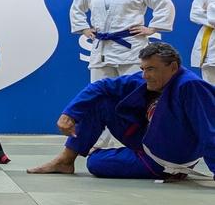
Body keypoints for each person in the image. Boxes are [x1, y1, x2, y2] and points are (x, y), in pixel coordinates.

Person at [27, 43, 215, 179]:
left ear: (173, 67)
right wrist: (70, 113)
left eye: (151, 69)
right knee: (101, 101)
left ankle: (100, 153)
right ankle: (65, 160)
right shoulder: (147, 80)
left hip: (165, 159)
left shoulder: (191, 87)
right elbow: (102, 85)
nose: (145, 75)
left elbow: (210, 132)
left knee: (95, 163)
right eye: (143, 69)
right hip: (150, 140)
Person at [70, 0, 174, 147]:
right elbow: (76, 8)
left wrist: (152, 28)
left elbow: (165, 5)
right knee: (98, 95)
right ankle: (99, 143)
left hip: (131, 46)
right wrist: (84, 28)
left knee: (132, 96)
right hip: (101, 48)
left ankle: (131, 142)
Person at [190, 0, 215, 84]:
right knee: (211, 92)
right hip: (210, 45)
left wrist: (209, 8)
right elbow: (194, 14)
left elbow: (202, 13)